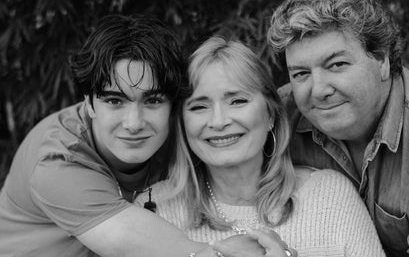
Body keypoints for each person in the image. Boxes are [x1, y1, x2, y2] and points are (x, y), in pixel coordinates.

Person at [0, 15, 264, 257]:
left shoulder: (180, 127)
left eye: (153, 101)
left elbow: (271, 113)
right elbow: (137, 243)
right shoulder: (57, 161)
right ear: (89, 104)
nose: (134, 123)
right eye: (115, 101)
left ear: (173, 104)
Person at [267, 0, 409, 257]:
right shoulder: (276, 120)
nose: (318, 90)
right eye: (300, 74)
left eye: (337, 65)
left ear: (381, 60)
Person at [135, 36, 386, 257]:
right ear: (182, 123)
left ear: (270, 115)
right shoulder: (153, 209)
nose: (219, 121)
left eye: (237, 100)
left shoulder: (329, 197)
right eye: (199, 106)